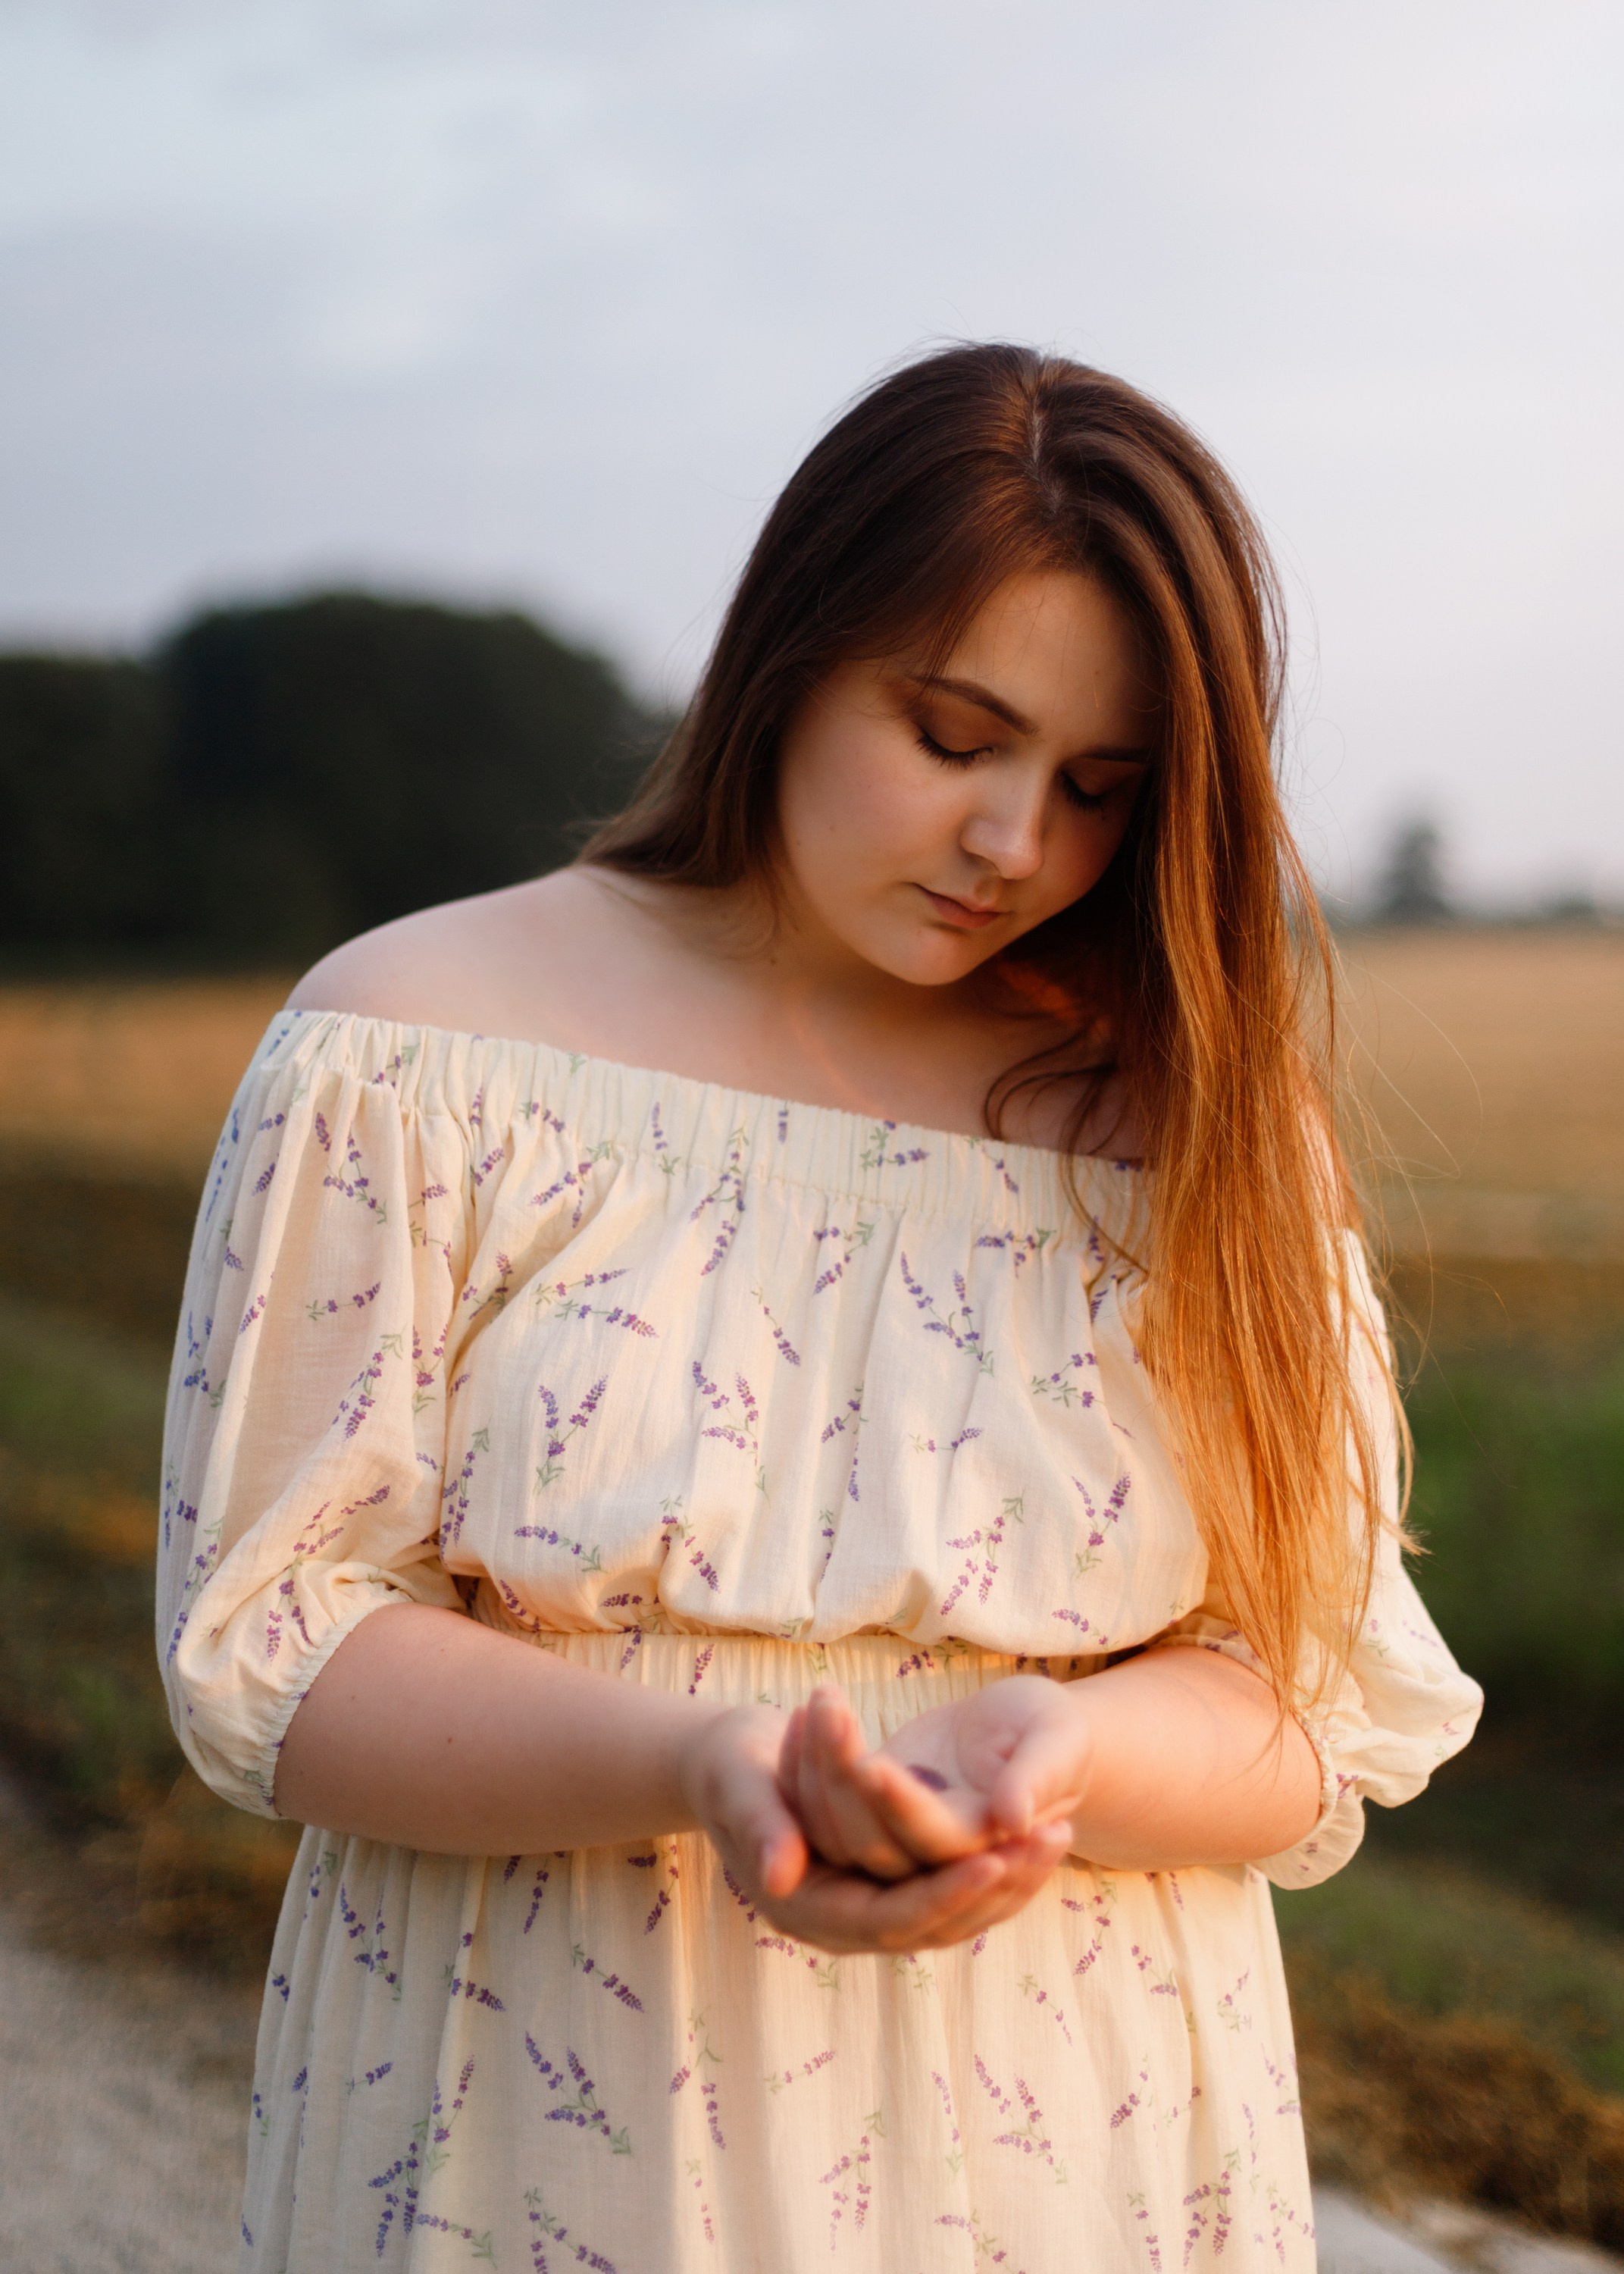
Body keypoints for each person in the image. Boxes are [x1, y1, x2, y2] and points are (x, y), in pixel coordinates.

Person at [157, 343, 1480, 2272]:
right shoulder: (412, 1049)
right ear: (786, 652)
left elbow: (1311, 1700)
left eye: (1100, 789)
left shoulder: (1197, 1125)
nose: (1013, 844)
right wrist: (705, 1770)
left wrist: (1065, 1751)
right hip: (542, 2112)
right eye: (954, 738)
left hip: (1082, 2141)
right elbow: (272, 1643)